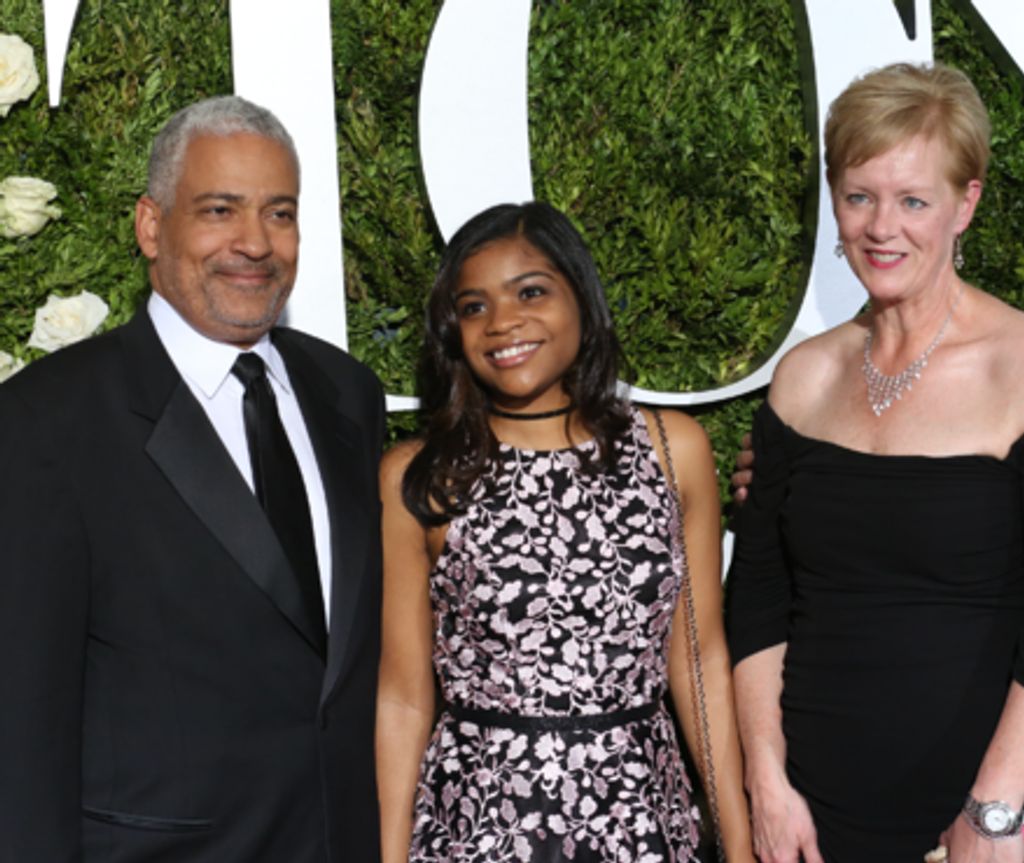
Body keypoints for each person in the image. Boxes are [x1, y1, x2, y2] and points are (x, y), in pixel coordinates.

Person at [724, 63, 1024, 863]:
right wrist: (766, 783)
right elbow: (760, 598)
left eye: (913, 200)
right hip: (817, 810)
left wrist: (994, 811)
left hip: (993, 816)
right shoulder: (805, 377)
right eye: (859, 195)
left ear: (965, 204)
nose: (881, 228)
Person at [0, 96, 385, 860]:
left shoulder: (347, 393)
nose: (254, 243)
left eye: (280, 213)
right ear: (151, 225)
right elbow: (22, 724)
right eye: (220, 209)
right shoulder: (46, 420)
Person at [375, 201, 754, 863]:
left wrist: (741, 846)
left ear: (582, 297)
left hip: (640, 824)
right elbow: (405, 697)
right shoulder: (422, 475)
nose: (502, 323)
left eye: (530, 292)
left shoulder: (671, 448)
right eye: (473, 307)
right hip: (479, 830)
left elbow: (697, 661)